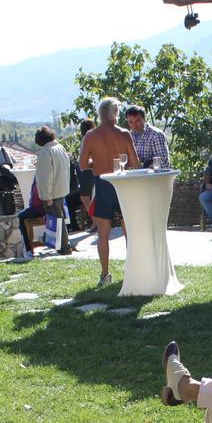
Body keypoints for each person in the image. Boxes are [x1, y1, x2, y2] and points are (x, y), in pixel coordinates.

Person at [76, 97, 139, 287]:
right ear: (115, 113)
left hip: (102, 184)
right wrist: (121, 162)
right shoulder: (124, 134)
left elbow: (82, 164)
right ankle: (133, 270)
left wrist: (98, 162)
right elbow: (135, 163)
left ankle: (105, 274)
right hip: (122, 184)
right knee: (129, 229)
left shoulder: (90, 136)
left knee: (103, 233)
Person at [25, 125, 72, 257]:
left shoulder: (45, 152)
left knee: (56, 220)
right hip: (62, 189)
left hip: (52, 192)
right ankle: (61, 244)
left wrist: (47, 195)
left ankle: (64, 247)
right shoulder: (60, 147)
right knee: (60, 219)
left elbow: (46, 176)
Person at [125, 104, 169, 169]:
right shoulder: (128, 136)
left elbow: (163, 162)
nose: (134, 125)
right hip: (134, 177)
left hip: (154, 177)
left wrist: (144, 166)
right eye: (131, 122)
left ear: (144, 119)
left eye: (137, 121)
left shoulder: (156, 135)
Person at [74, 118, 96, 230]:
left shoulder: (86, 139)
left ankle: (95, 222)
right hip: (87, 170)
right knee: (88, 198)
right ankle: (95, 222)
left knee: (85, 198)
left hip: (87, 171)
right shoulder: (91, 138)